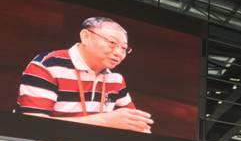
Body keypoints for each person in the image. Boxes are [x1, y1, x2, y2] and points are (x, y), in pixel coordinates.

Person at [15, 16, 153, 133]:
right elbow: (33, 125)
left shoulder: (115, 78)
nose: (119, 53)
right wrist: (104, 121)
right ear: (85, 37)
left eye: (124, 48)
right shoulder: (48, 66)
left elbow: (134, 124)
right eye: (112, 43)